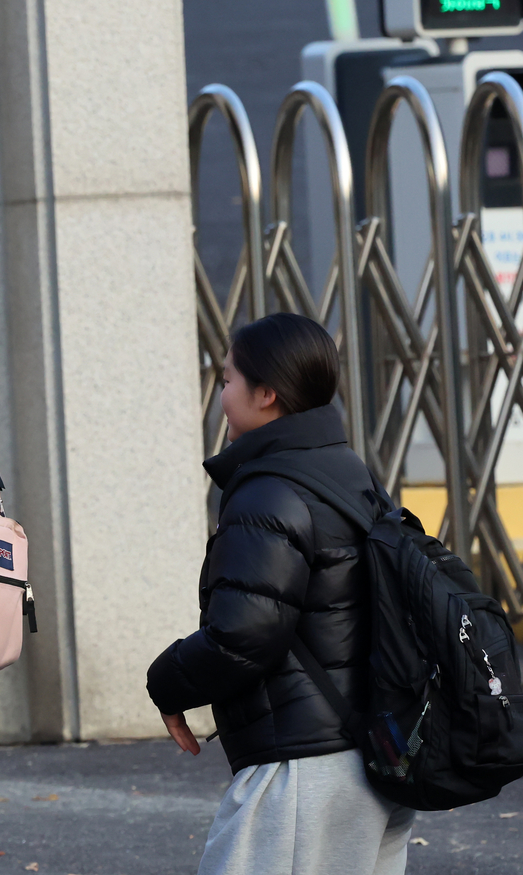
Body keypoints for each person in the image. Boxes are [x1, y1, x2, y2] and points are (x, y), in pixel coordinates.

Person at [146, 313, 415, 875]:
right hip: (376, 754)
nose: (221, 395)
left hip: (301, 767)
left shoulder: (268, 491)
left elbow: (245, 632)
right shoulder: (352, 476)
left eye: (227, 381)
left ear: (266, 394)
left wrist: (166, 680)